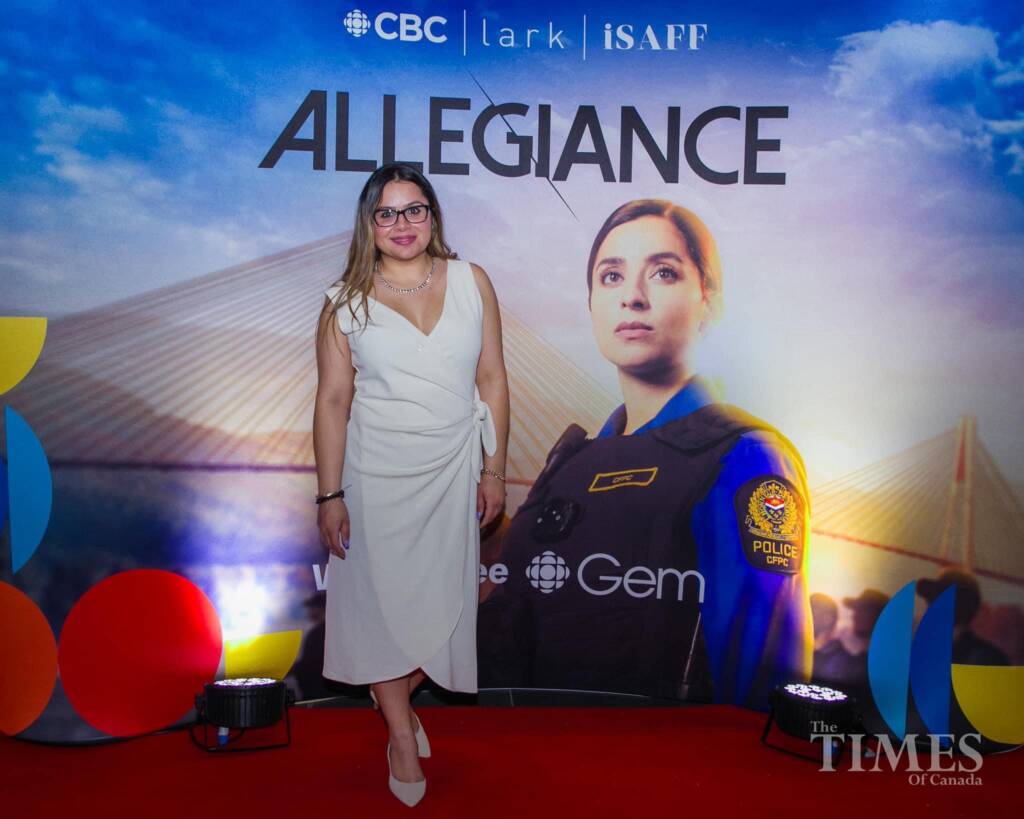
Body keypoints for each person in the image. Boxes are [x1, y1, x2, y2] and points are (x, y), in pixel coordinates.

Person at [478, 199, 811, 709]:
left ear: (710, 301)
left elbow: (760, 676)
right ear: (592, 302)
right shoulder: (568, 465)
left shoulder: (745, 456)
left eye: (663, 273)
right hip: (540, 746)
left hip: (667, 755)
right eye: (611, 276)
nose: (632, 297)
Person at [313, 163, 510, 806]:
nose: (402, 224)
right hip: (374, 476)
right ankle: (401, 733)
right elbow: (333, 401)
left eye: (414, 209)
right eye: (387, 212)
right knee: (378, 609)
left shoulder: (473, 281)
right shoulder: (343, 302)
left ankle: (391, 692)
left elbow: (492, 380)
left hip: (452, 469)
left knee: (443, 607)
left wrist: (493, 468)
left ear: (433, 216)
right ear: (369, 223)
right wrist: (330, 494)